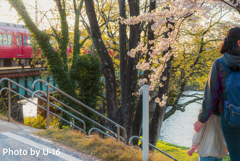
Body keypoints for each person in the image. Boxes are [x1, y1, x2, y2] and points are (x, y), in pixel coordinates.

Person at [193, 27, 240, 160]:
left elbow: (211, 95)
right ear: (238, 42)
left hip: (229, 118)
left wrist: (202, 119)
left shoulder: (220, 63)